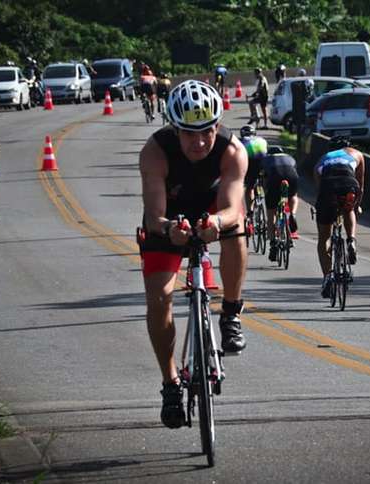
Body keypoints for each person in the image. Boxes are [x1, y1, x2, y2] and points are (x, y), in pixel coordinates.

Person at [137, 80, 248, 429]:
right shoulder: (154, 151)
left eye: (206, 133)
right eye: (189, 134)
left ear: (217, 126)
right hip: (170, 216)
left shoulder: (233, 151)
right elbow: (154, 215)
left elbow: (232, 206)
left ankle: (230, 312)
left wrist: (216, 220)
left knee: (237, 230)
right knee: (159, 297)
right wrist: (170, 228)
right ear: (174, 129)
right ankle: (170, 383)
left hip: (213, 208)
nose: (199, 142)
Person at [313, 136, 365, 299]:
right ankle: (351, 240)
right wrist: (357, 205)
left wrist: (322, 205)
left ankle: (328, 277)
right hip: (349, 184)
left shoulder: (323, 158)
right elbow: (361, 185)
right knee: (348, 209)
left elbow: (319, 187)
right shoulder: (356, 154)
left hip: (328, 187)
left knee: (324, 238)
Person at [263, 146, 300, 262]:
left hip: (274, 178)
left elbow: (264, 178)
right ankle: (292, 214)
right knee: (293, 195)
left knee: (271, 215)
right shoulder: (290, 157)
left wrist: (267, 192)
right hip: (292, 177)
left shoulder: (266, 159)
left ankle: (273, 243)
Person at [239, 124, 268, 223]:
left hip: (250, 162)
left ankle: (250, 212)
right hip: (263, 162)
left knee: (249, 188)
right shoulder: (262, 139)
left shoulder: (240, 141)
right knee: (265, 181)